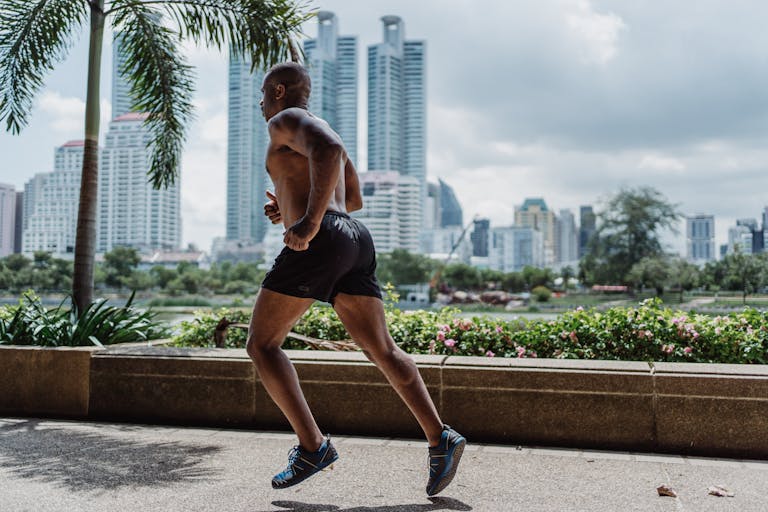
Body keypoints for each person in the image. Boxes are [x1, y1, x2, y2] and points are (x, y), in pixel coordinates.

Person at [246, 62, 465, 496]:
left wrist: (307, 222)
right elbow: (355, 198)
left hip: (324, 236)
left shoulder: (284, 120)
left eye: (263, 94)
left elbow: (325, 153)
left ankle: (312, 447)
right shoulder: (320, 125)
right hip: (354, 238)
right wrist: (291, 208)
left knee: (261, 343)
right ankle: (440, 437)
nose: (259, 103)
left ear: (280, 91)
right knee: (382, 349)